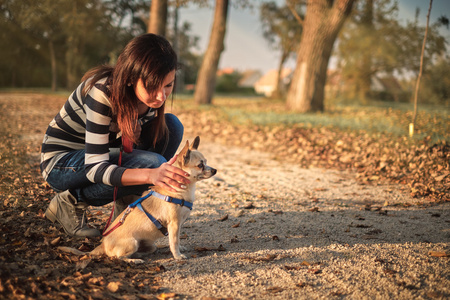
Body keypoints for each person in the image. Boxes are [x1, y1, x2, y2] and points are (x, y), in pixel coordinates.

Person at [40, 34, 190, 237]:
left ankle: (128, 208)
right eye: (152, 87)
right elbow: (95, 168)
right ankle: (69, 202)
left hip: (95, 156)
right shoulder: (102, 92)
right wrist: (150, 175)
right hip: (61, 163)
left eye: (168, 85)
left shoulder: (150, 101)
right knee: (153, 163)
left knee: (171, 126)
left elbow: (121, 150)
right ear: (130, 78)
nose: (161, 96)